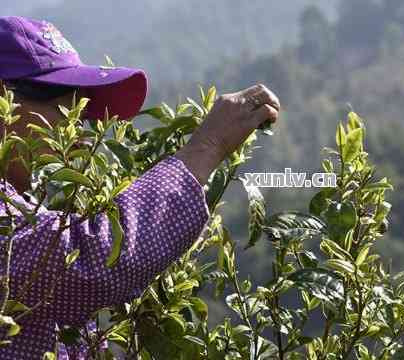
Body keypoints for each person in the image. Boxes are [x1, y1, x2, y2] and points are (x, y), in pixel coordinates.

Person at [0, 16, 280, 359]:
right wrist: (207, 147)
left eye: (84, 119)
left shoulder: (27, 204)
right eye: (64, 109)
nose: (81, 138)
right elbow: (92, 264)